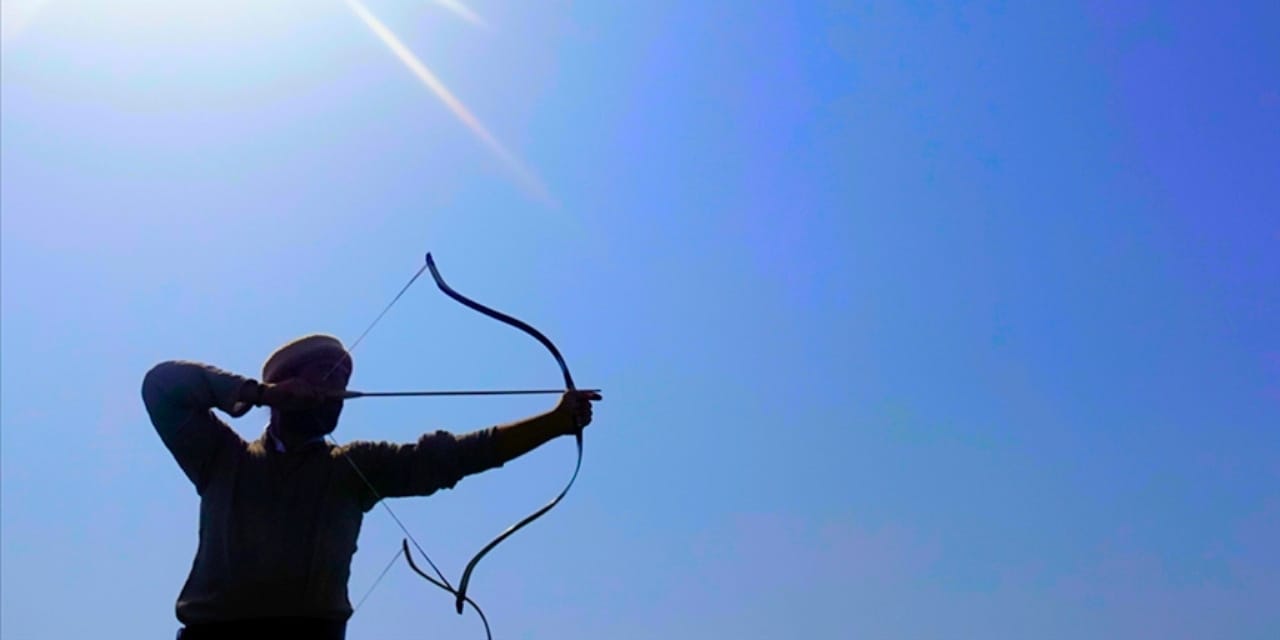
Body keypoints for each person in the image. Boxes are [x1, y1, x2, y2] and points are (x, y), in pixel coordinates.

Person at [141, 334, 601, 640]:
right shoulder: (223, 458)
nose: (336, 389)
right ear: (285, 384)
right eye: (325, 375)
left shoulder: (352, 468)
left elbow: (453, 457)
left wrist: (555, 423)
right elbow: (162, 385)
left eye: (343, 380)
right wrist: (258, 393)